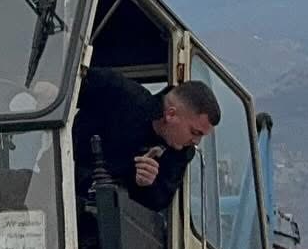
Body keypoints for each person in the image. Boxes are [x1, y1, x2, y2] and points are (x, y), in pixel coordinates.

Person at [73, 70, 220, 211]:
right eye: (194, 132)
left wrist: (145, 184)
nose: (196, 141)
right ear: (171, 115)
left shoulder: (180, 154)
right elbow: (68, 80)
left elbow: (158, 202)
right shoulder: (119, 92)